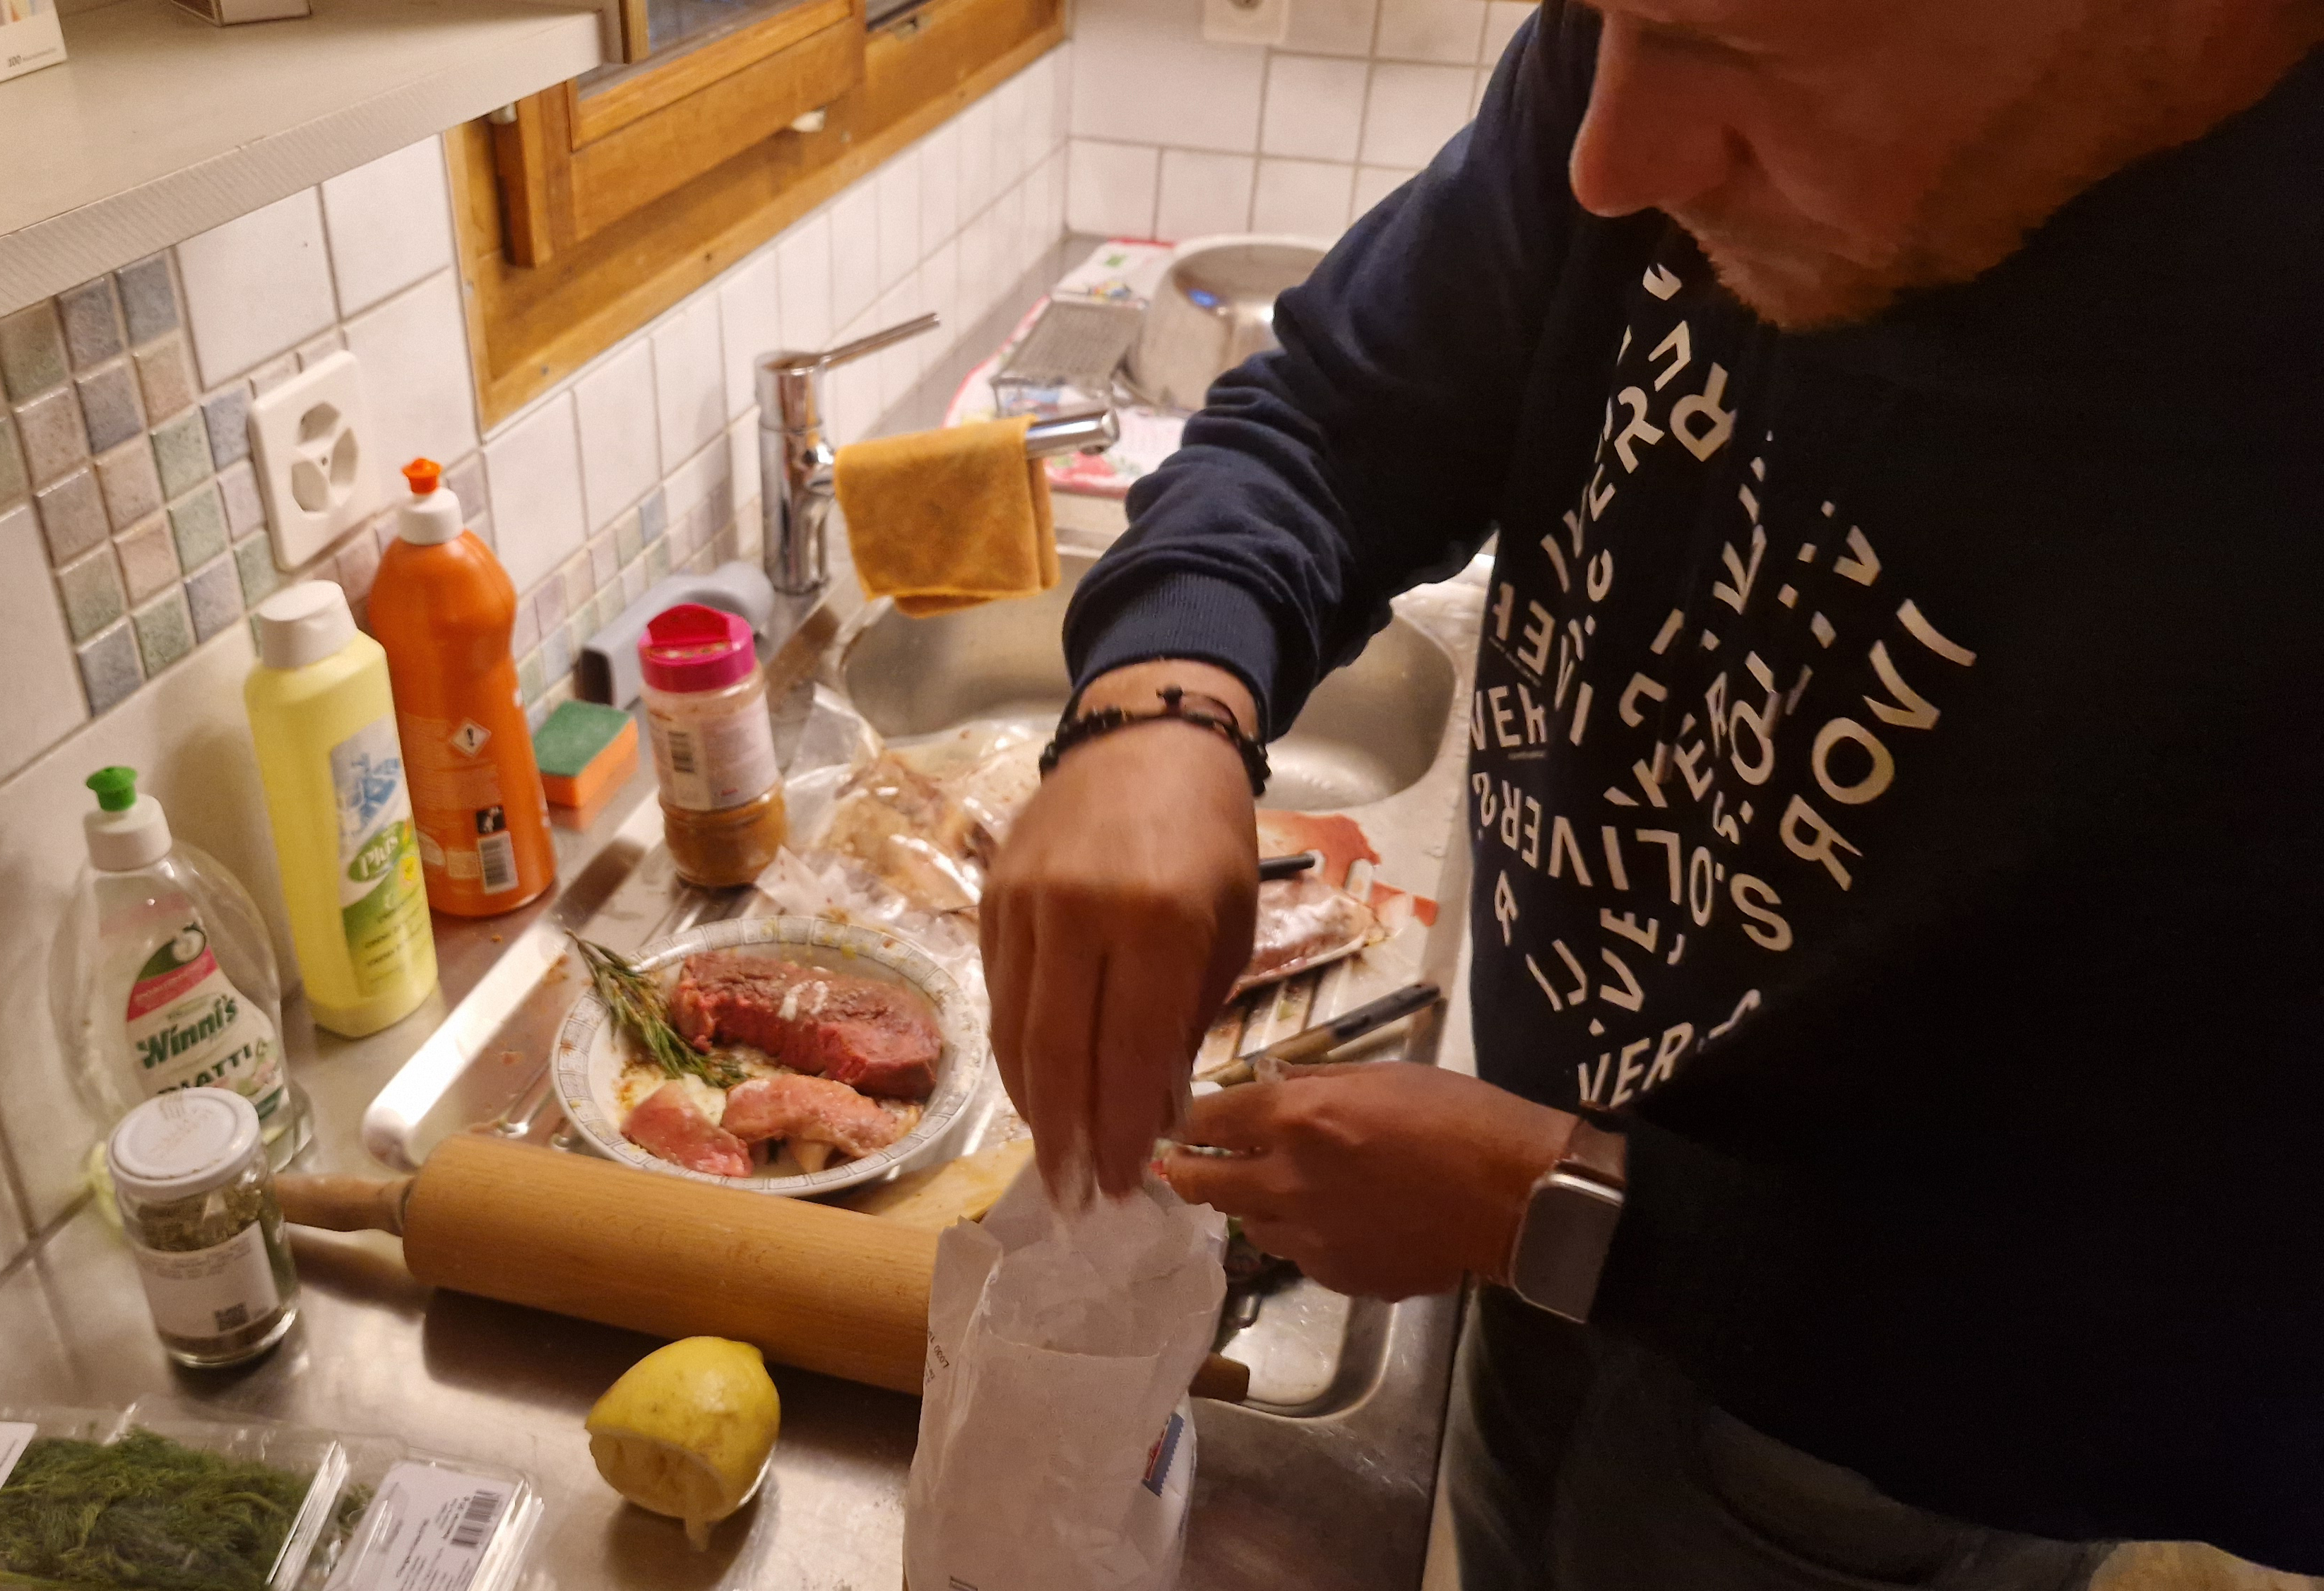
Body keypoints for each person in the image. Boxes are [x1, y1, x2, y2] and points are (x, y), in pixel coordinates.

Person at [982, 0, 2324, 1582]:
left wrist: (1583, 1218)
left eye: (1745, 54)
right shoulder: (1634, 72)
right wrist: (1161, 709)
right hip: (1539, 1230)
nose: (1605, 162)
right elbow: (1338, 419)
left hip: (1889, 1441)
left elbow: (2263, 1396)